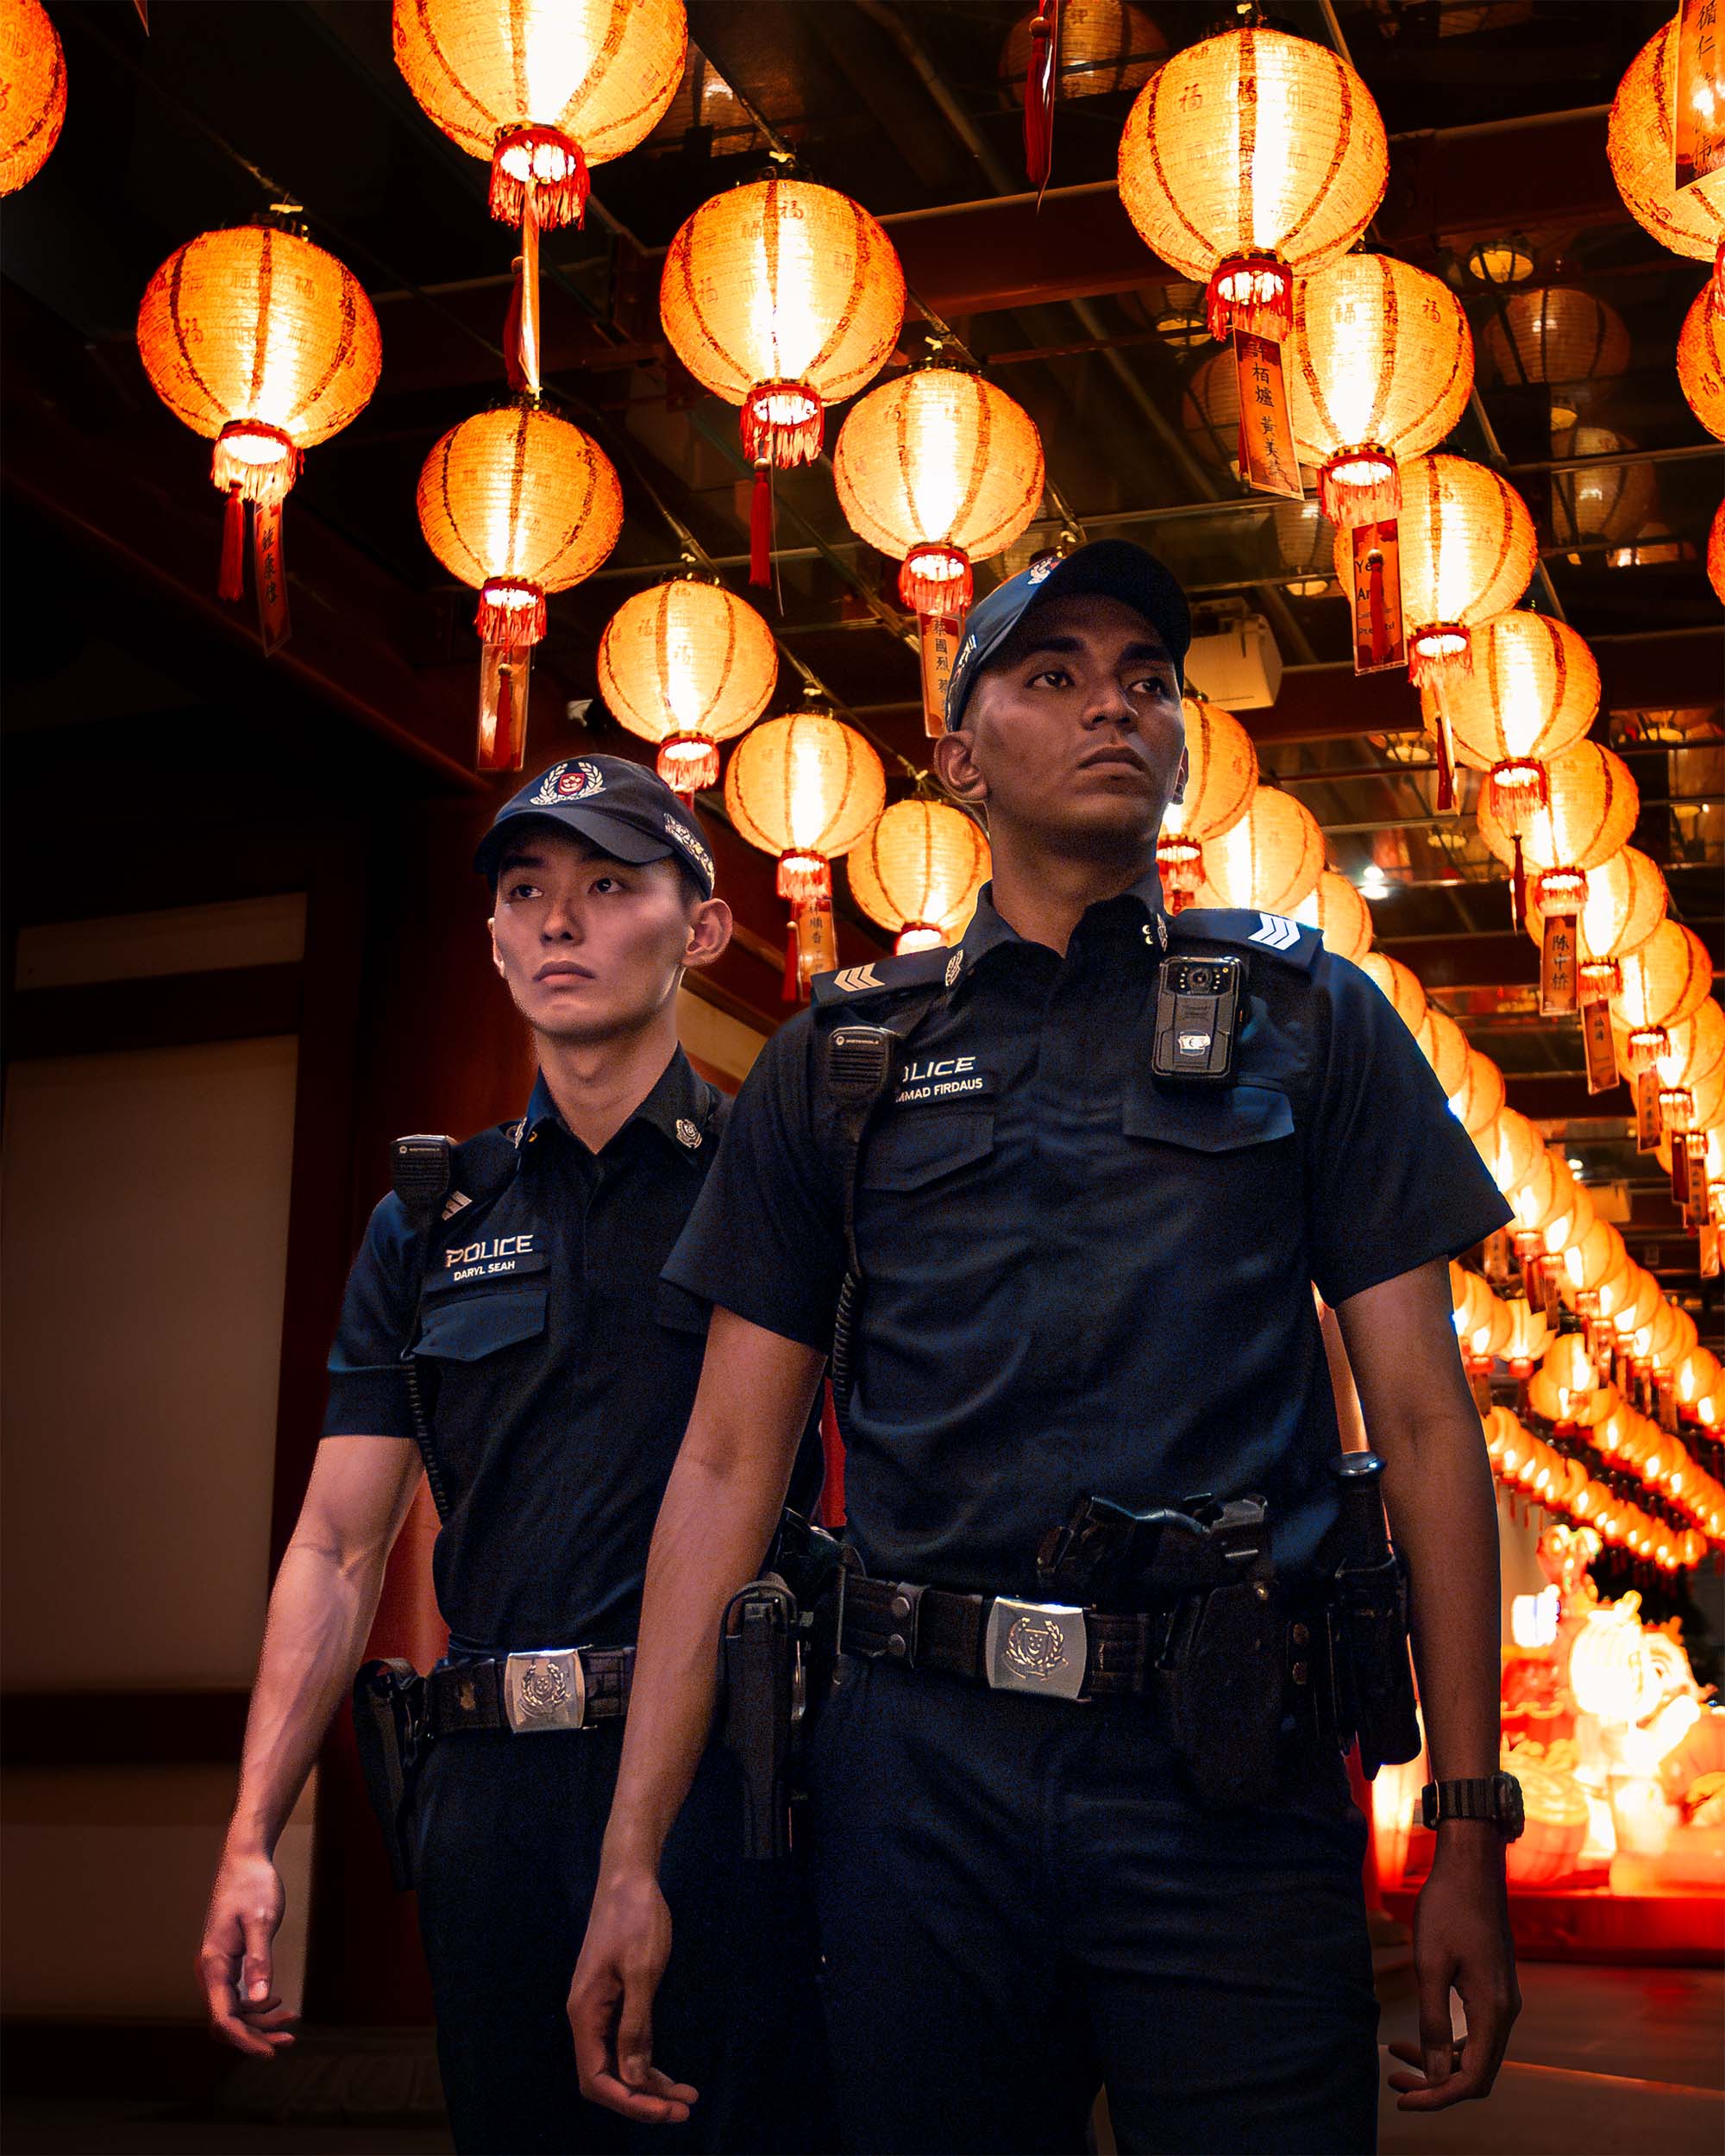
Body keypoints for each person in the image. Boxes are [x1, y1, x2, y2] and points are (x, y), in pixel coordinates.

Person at [568, 542, 1526, 2156]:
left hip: (1233, 1774)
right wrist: (630, 1853)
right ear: (957, 751)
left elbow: (1427, 1430)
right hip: (919, 1780)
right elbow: (728, 1461)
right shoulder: (842, 1057)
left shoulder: (1315, 1020)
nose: (1116, 708)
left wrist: (1470, 1831)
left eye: (1148, 680)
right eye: (1053, 675)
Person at [198, 754, 828, 2156]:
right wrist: (254, 1831)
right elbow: (338, 1544)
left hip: (724, 1782)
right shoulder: (428, 1220)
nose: (560, 923)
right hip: (484, 1790)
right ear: (488, 937)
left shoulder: (777, 1187)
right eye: (528, 892)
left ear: (704, 928)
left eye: (611, 887)